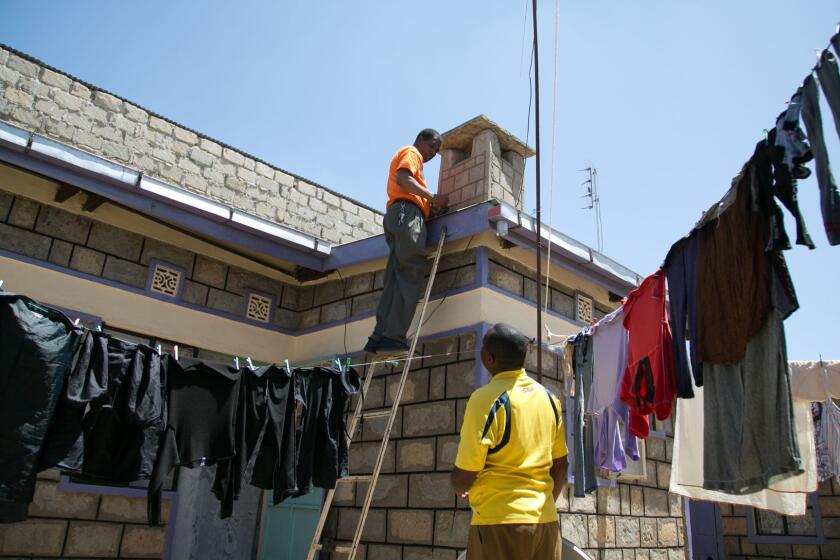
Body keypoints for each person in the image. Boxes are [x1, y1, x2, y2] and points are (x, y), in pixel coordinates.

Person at [451, 323, 568, 560]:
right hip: (546, 522)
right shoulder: (549, 400)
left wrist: (460, 487)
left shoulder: (484, 400)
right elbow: (561, 465)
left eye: (483, 347)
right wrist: (541, 503)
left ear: (489, 358)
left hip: (500, 523)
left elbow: (465, 473)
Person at [364, 129, 448, 354]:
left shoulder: (413, 158)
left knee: (394, 277)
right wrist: (432, 198)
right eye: (432, 146)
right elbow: (403, 178)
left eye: (437, 150)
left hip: (397, 215)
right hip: (406, 213)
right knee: (410, 272)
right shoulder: (412, 153)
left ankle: (379, 336)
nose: (432, 153)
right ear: (421, 140)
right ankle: (393, 337)